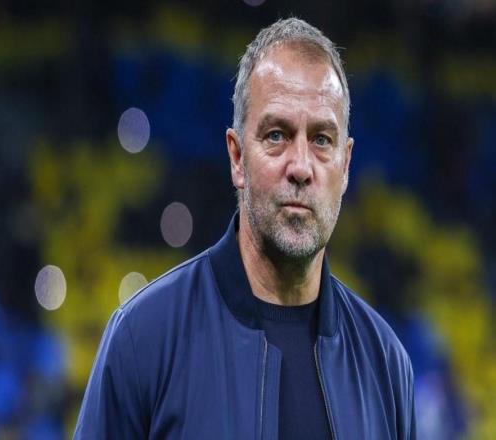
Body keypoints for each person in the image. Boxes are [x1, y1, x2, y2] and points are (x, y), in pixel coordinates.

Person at [75, 18, 416, 439]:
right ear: (237, 158)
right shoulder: (144, 338)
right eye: (277, 135)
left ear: (345, 166)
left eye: (321, 140)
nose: (301, 167)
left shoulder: (386, 363)